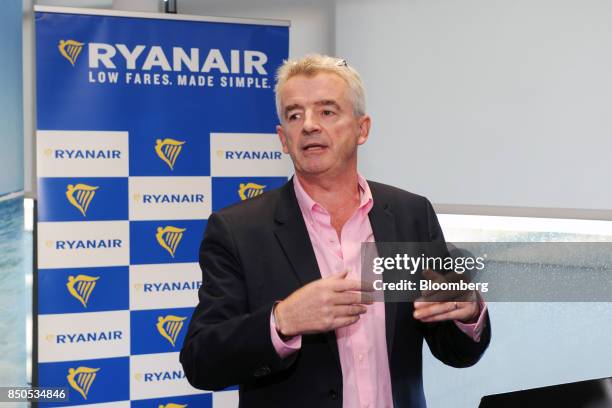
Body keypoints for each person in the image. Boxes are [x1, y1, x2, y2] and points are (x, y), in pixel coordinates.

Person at [180, 54, 490, 408]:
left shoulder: (410, 214)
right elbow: (200, 361)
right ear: (283, 138)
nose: (309, 125)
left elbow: (457, 351)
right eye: (295, 115)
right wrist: (282, 321)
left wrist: (467, 311)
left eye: (327, 111)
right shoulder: (239, 230)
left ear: (362, 128)